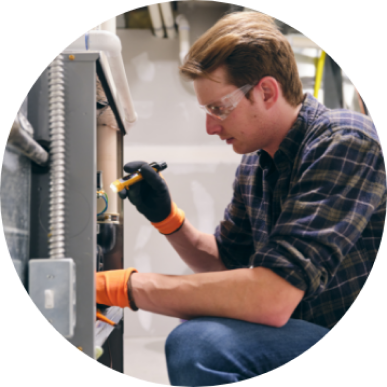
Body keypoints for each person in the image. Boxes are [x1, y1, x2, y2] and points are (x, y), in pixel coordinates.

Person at [96, 11, 386, 385]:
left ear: (266, 91)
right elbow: (226, 262)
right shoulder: (255, 164)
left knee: (199, 343)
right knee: (201, 320)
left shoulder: (345, 142)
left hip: (320, 325)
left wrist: (122, 287)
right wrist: (168, 219)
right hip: (301, 328)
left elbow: (271, 297)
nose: (210, 126)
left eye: (218, 108)